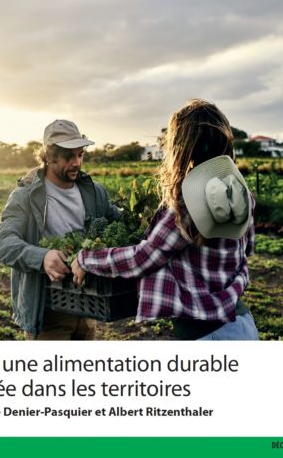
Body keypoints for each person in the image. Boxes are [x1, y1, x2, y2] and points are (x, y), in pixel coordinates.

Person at [72, 99, 259, 341]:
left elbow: (143, 258)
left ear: (180, 147)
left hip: (207, 334)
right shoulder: (241, 193)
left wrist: (85, 259)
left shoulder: (188, 203)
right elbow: (248, 249)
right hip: (241, 324)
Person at [0, 119, 120, 340]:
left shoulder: (95, 193)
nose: (77, 163)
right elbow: (3, 244)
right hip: (47, 312)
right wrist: (42, 257)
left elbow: (120, 224)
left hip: (88, 307)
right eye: (69, 156)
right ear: (49, 156)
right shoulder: (25, 196)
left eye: (80, 154)